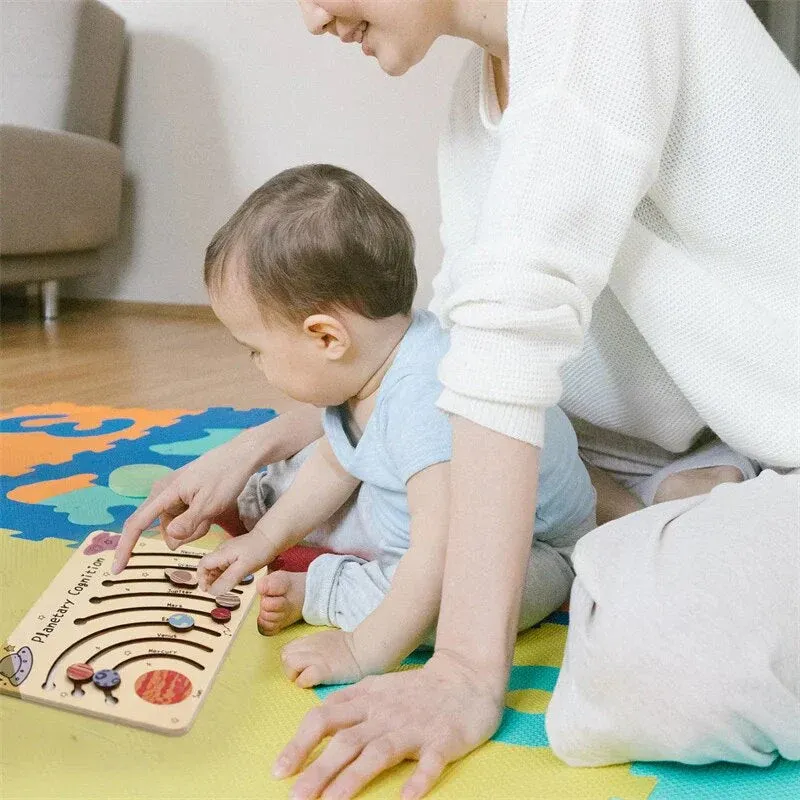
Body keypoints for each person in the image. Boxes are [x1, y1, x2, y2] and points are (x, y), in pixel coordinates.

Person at [115, 0, 800, 797]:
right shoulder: (474, 107)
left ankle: (659, 514)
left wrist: (466, 671)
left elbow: (502, 355)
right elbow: (433, 360)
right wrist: (252, 447)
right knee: (361, 490)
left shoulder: (606, 15)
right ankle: (658, 503)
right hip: (633, 441)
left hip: (769, 440)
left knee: (655, 663)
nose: (312, 16)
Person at [183, 163, 594, 685]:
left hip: (530, 547)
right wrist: (262, 541)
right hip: (423, 507)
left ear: (327, 338)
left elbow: (439, 550)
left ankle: (326, 590)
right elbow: (337, 464)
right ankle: (269, 507)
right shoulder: (371, 366)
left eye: (256, 350)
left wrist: (363, 651)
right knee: (315, 466)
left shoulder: (422, 401)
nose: (255, 365)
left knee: (442, 603)